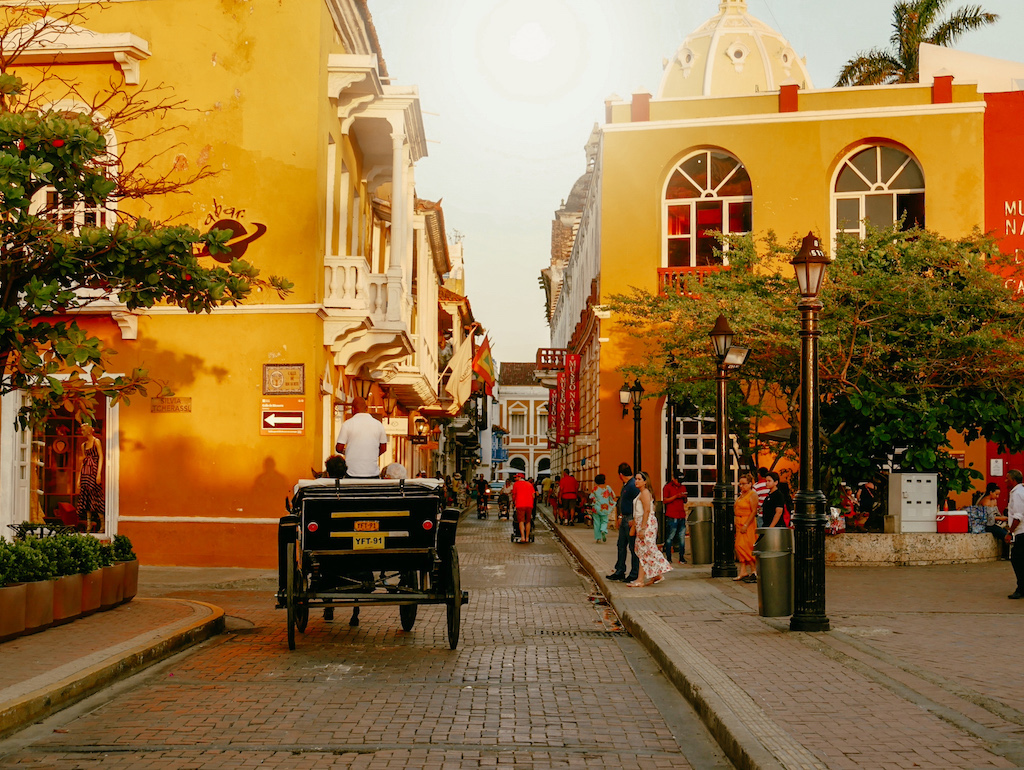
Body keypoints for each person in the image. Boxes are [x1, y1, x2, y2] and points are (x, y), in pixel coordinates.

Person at [627, 471, 672, 587]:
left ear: (645, 481)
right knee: (642, 551)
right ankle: (654, 575)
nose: (636, 481)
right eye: (636, 479)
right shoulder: (641, 493)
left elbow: (647, 510)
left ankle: (644, 578)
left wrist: (642, 528)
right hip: (641, 523)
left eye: (639, 479)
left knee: (647, 549)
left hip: (647, 524)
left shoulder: (645, 493)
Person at [335, 396, 387, 479]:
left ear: (353, 409)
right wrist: (371, 455)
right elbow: (383, 448)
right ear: (366, 408)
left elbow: (339, 448)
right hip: (372, 472)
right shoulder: (378, 425)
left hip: (352, 472)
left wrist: (348, 452)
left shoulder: (347, 424)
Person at [606, 463, 640, 582]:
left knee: (632, 547)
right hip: (625, 518)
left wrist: (634, 520)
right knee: (621, 545)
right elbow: (623, 502)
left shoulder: (632, 486)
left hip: (630, 519)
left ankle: (634, 573)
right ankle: (620, 570)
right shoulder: (626, 485)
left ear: (620, 475)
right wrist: (620, 516)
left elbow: (637, 503)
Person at [75, 423, 104, 532]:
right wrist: (79, 478)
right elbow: (83, 461)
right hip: (85, 472)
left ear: (88, 431)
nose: (82, 432)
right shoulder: (83, 445)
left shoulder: (96, 441)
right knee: (86, 498)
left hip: (93, 471)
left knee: (95, 497)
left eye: (83, 430)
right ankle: (88, 525)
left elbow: (101, 456)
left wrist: (99, 473)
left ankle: (102, 524)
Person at [733, 473, 760, 583]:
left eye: (744, 484)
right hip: (739, 522)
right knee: (738, 547)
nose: (742, 486)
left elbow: (753, 511)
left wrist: (746, 525)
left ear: (750, 484)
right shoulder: (741, 495)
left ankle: (754, 570)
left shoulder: (752, 494)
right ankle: (743, 570)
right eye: (740, 484)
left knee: (745, 546)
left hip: (747, 523)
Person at [1005, 469, 1024, 599]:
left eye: (1007, 479)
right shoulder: (1021, 491)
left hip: (1021, 532)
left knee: (1017, 560)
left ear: (1013, 480)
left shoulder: (1017, 493)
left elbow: (1018, 516)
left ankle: (1021, 588)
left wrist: (1010, 532)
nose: (1005, 481)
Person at [662, 470, 687, 563]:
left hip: (681, 515)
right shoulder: (667, 487)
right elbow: (665, 500)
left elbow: (685, 501)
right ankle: (668, 557)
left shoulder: (683, 487)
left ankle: (681, 557)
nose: (679, 483)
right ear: (673, 479)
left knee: (682, 537)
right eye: (678, 480)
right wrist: (676, 496)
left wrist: (684, 497)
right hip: (672, 515)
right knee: (670, 538)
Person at [591, 473, 615, 543]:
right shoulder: (608, 488)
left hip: (596, 508)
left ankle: (598, 538)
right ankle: (603, 529)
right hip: (605, 507)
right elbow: (612, 496)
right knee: (604, 521)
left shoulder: (595, 489)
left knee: (596, 523)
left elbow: (591, 497)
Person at [511, 472, 535, 543]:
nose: (515, 479)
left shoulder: (516, 484)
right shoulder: (529, 484)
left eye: (516, 477)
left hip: (520, 504)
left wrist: (513, 502)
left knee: (521, 521)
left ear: (520, 477)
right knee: (528, 521)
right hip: (529, 505)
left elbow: (514, 495)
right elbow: (533, 495)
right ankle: (527, 538)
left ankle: (523, 537)